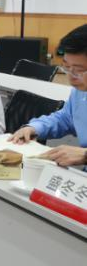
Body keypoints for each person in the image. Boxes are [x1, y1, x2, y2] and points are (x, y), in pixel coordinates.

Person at [10, 24, 87, 167]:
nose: (71, 76)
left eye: (78, 70)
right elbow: (66, 118)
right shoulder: (80, 92)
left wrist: (85, 155)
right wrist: (35, 128)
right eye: (67, 67)